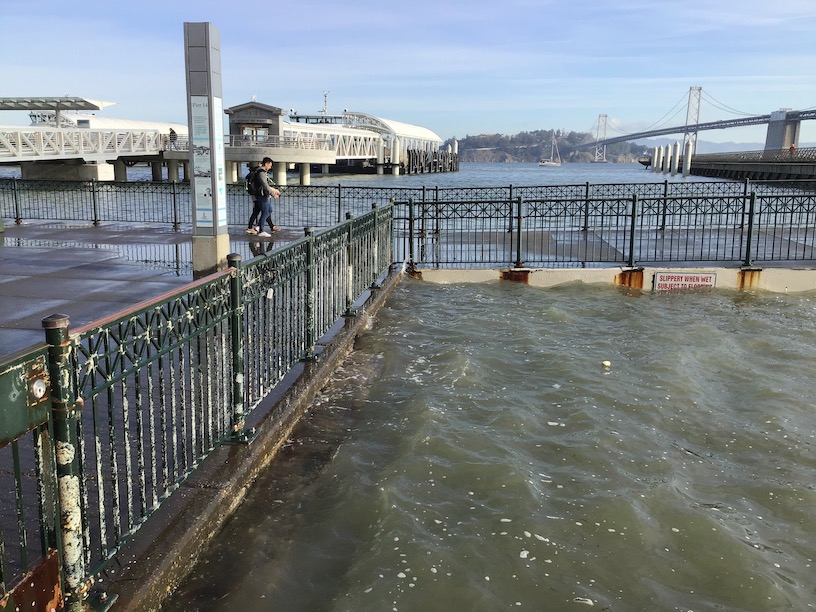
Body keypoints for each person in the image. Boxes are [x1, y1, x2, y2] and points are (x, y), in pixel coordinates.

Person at [251, 157, 281, 238]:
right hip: (261, 195)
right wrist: (273, 194)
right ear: (266, 164)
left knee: (269, 210)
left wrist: (273, 191)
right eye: (270, 165)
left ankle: (259, 227)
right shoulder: (261, 173)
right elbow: (265, 185)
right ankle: (261, 230)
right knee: (265, 211)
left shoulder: (260, 172)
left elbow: (266, 185)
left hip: (262, 195)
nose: (270, 167)